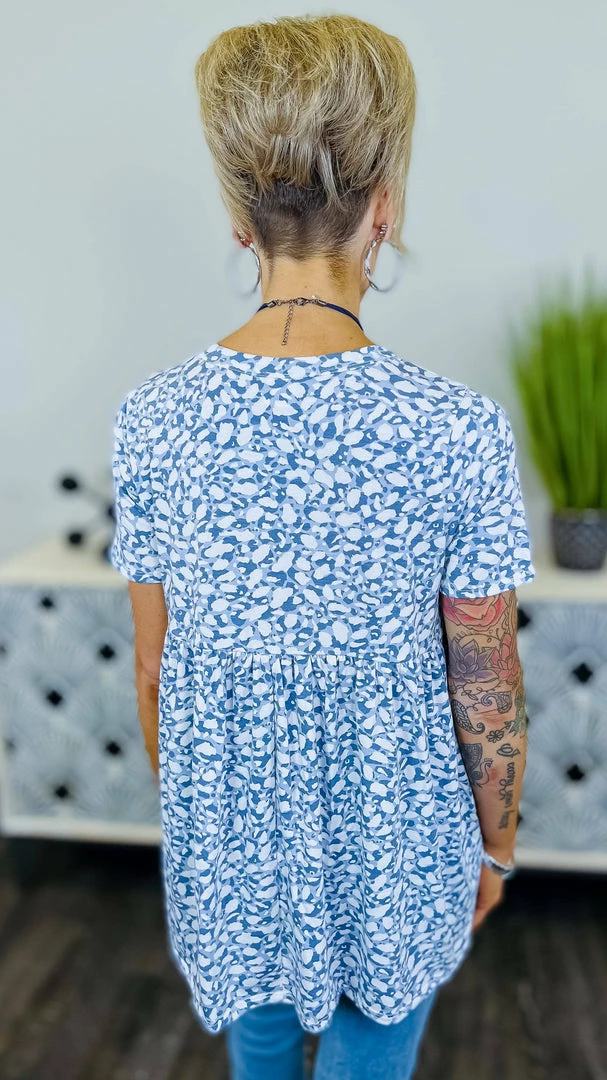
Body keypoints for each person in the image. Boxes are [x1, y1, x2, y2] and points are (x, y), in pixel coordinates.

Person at [109, 13, 536, 1080]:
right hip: (400, 849)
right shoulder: (456, 428)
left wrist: (207, 825)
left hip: (233, 842)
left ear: (238, 217)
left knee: (258, 1044)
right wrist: (495, 844)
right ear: (383, 207)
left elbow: (155, 666)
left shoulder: (153, 419)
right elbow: (487, 679)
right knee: (369, 1054)